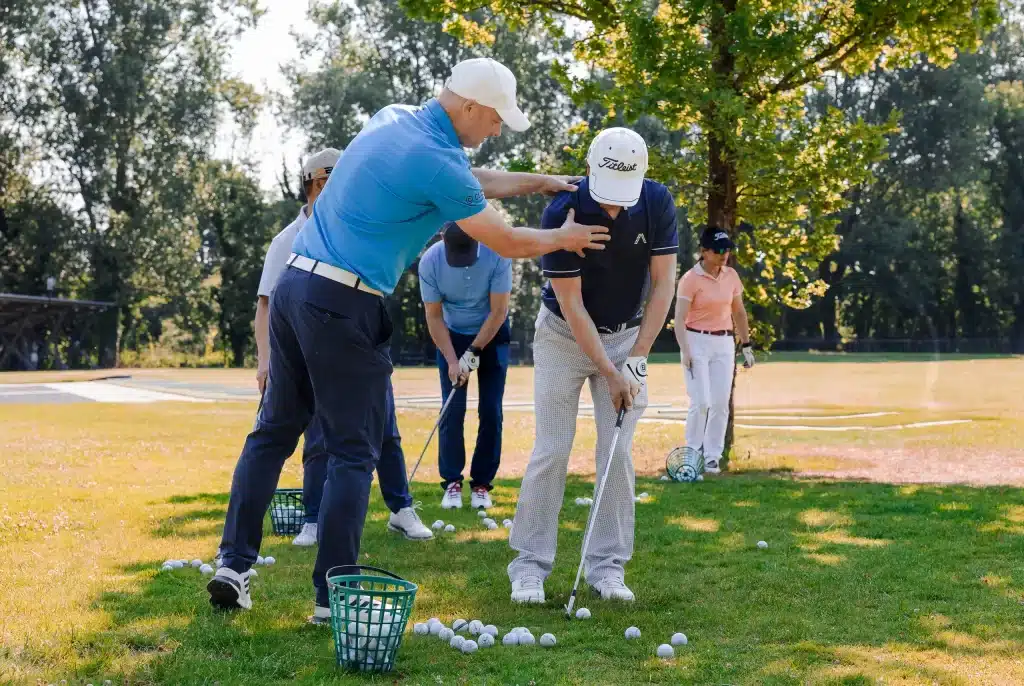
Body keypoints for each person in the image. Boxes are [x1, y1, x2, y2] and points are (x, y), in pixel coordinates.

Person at [206, 56, 610, 621]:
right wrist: (564, 236)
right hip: (343, 304)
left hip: (296, 287)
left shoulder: (392, 118)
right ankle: (332, 596)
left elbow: (471, 182)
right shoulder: (438, 161)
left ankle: (233, 565)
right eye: (495, 119)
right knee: (353, 451)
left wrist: (540, 182)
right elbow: (507, 240)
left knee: (273, 433)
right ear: (469, 106)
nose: (496, 130)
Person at [507, 127, 678, 604]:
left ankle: (607, 567)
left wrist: (637, 360)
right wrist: (609, 370)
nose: (614, 209)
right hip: (563, 335)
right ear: (588, 170)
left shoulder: (657, 202)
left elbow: (664, 284)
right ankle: (529, 567)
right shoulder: (561, 211)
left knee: (617, 452)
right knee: (553, 448)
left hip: (627, 336)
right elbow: (573, 304)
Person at [254, 148, 432, 549]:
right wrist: (267, 360)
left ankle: (400, 508)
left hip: (363, 342)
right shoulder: (287, 240)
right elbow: (266, 304)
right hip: (311, 351)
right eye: (328, 185)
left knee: (385, 428)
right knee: (319, 435)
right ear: (312, 186)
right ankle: (313, 518)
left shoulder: (352, 227)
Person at [419, 222, 512, 510]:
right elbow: (434, 316)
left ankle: (482, 484)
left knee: (491, 411)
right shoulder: (430, 261)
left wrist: (474, 351)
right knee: (452, 410)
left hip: (493, 334)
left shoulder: (498, 253)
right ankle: (452, 483)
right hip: (451, 335)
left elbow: (499, 311)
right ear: (443, 238)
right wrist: (451, 359)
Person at [673, 227, 755, 474]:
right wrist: (685, 351)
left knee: (720, 403)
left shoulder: (731, 276)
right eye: (719, 250)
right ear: (704, 252)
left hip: (724, 343)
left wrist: (747, 345)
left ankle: (712, 456)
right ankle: (693, 452)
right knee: (701, 402)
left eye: (727, 249)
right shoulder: (690, 279)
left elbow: (739, 312)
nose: (724, 254)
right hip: (695, 340)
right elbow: (679, 319)